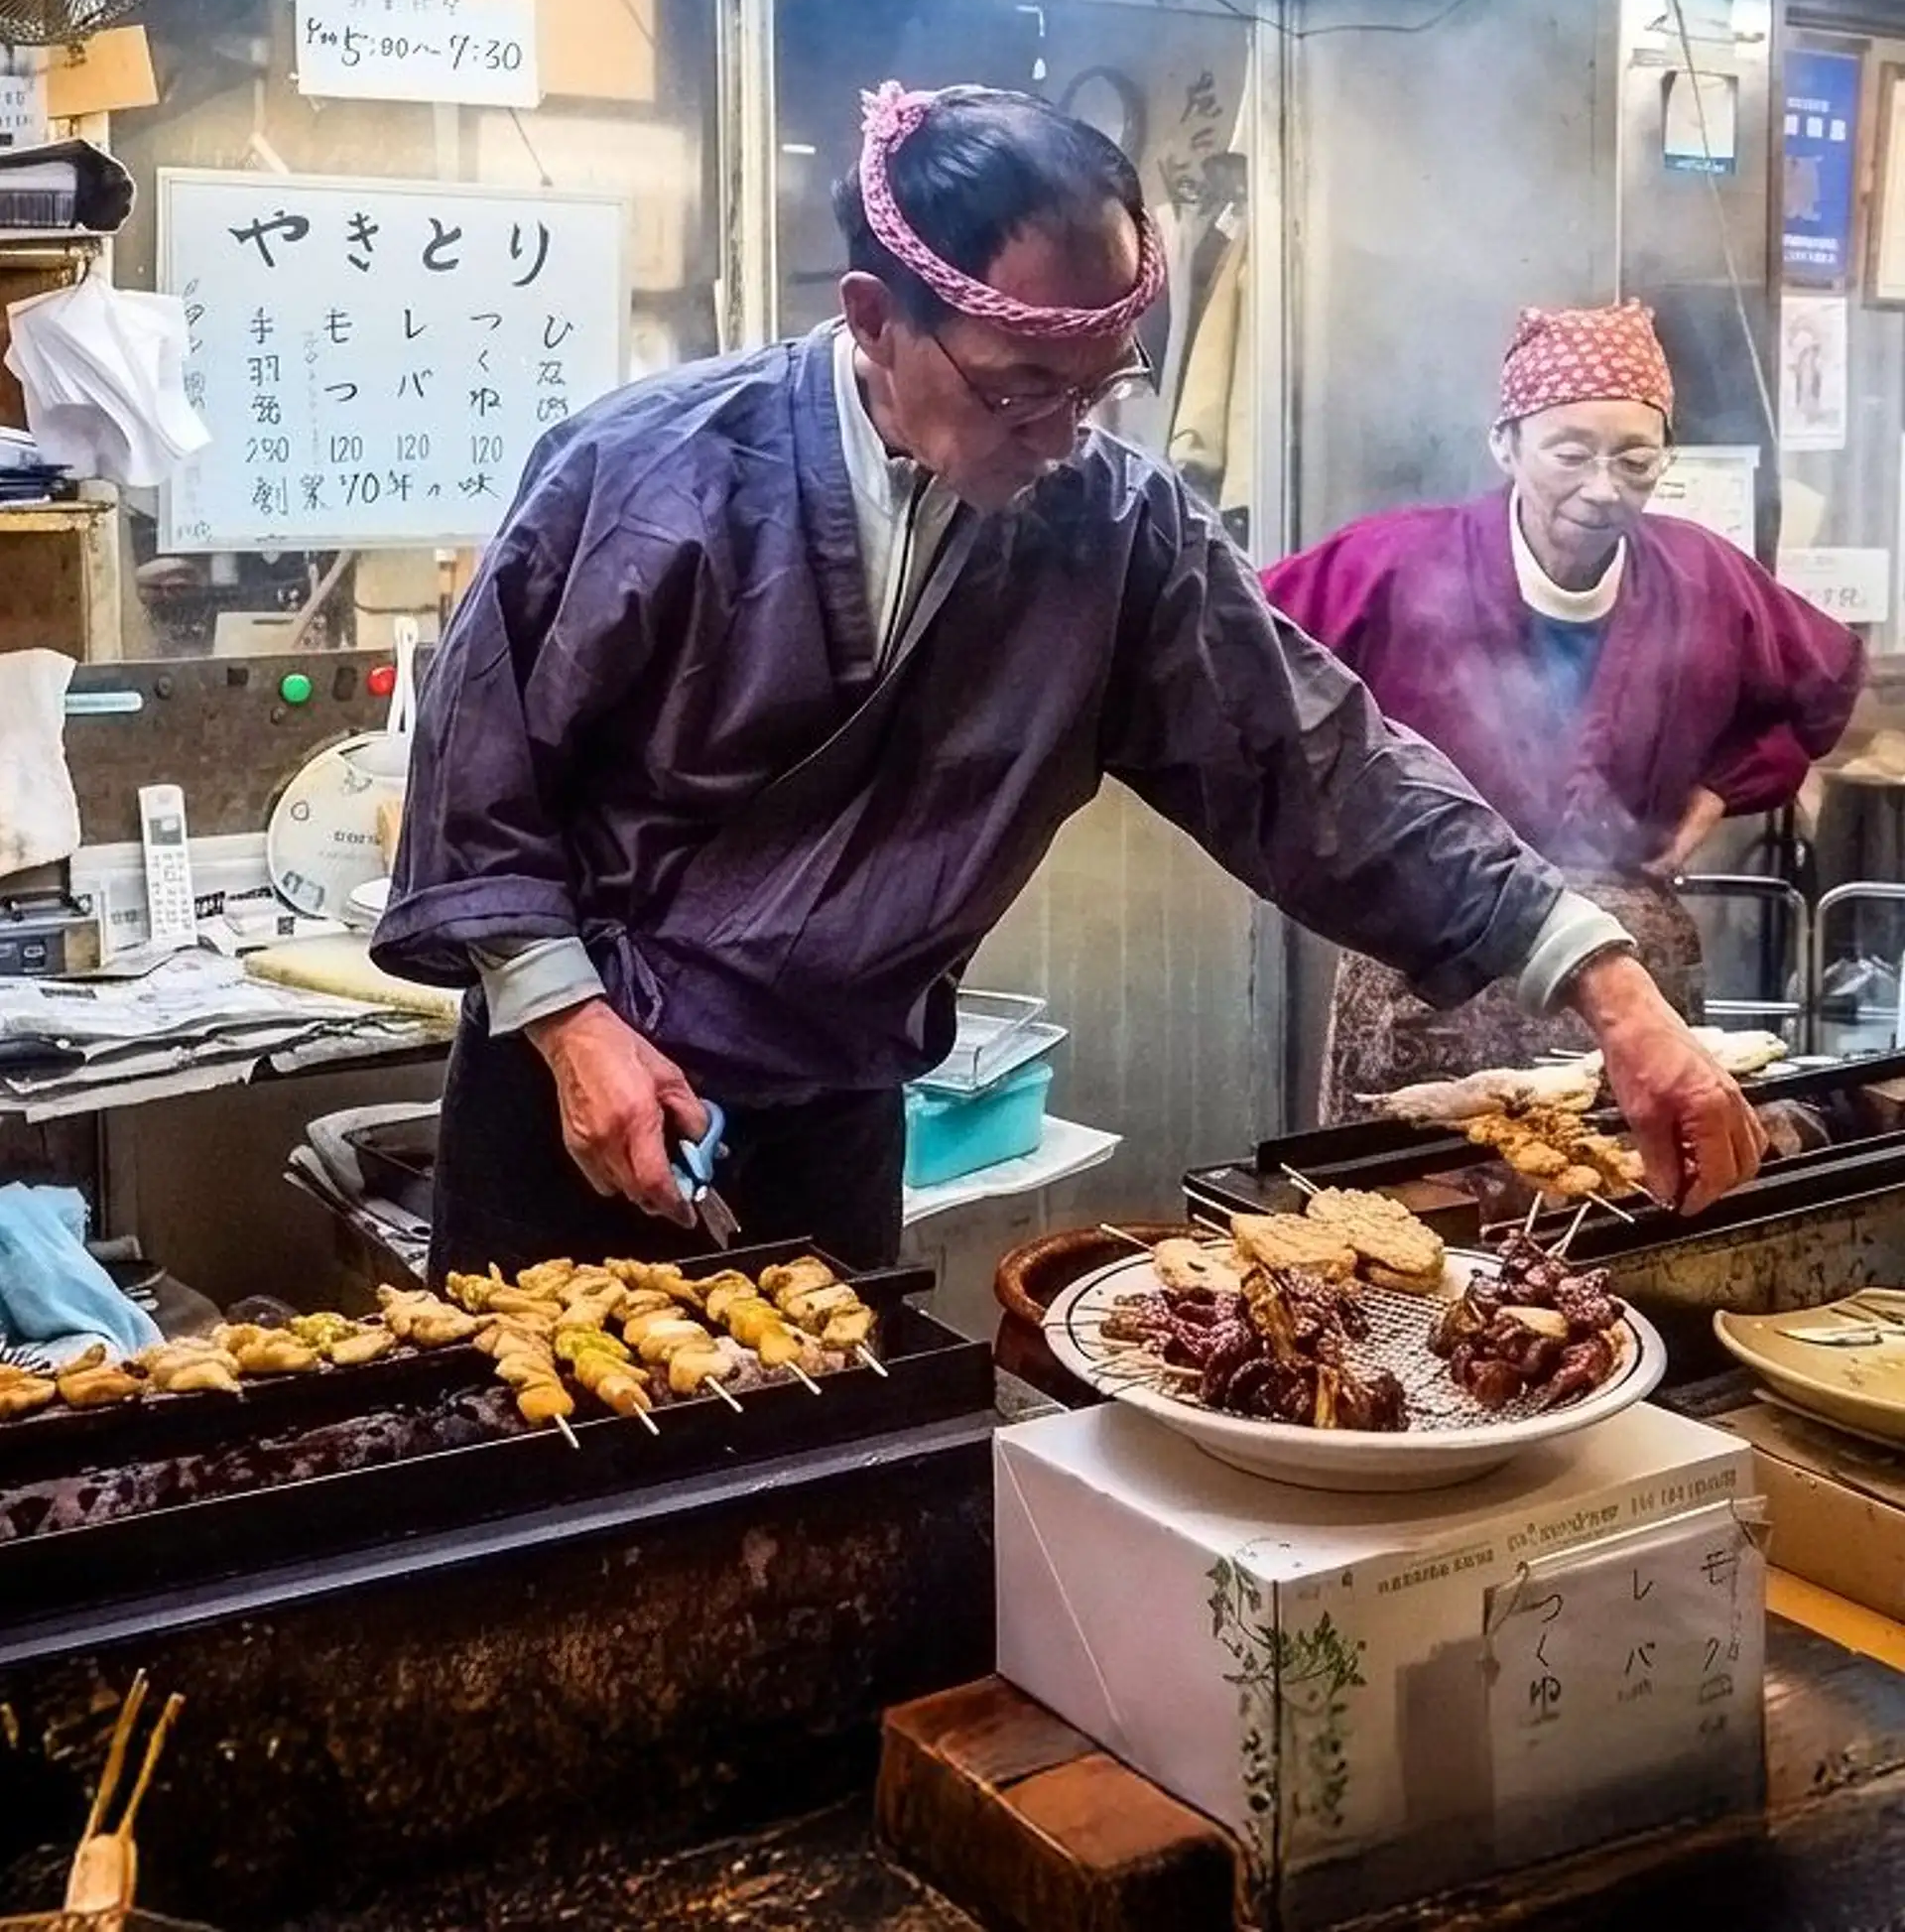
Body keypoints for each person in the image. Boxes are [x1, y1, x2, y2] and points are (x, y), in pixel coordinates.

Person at [374, 95, 1767, 1279]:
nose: (1063, 436)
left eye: (1100, 388)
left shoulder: (1114, 528)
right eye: (1020, 387)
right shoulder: (646, 468)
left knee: (827, 1496)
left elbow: (1323, 765)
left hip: (834, 1109)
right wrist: (565, 1019)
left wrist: (1613, 990)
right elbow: (484, 774)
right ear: (873, 316)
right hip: (577, 1094)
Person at [1263, 301, 1863, 1118]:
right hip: (1425, 969)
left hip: (1634, 975)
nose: (1603, 488)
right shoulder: (1394, 564)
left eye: (1636, 459)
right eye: (1570, 452)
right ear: (1505, 443)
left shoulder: (1702, 578)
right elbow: (1243, 668)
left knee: (1633, 1210)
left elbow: (1820, 684)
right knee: (1412, 1222)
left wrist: (1718, 793)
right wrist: (1341, 827)